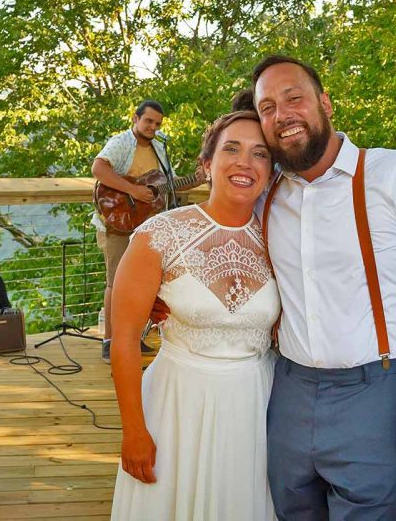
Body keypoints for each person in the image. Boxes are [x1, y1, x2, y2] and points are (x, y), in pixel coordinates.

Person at [252, 55, 396, 519]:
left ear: (325, 103)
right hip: (289, 390)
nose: (282, 115)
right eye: (267, 108)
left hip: (378, 390)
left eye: (294, 98)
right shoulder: (266, 192)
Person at [109, 110, 280, 520]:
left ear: (271, 171)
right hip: (177, 405)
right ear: (206, 165)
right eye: (231, 149)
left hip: (257, 403)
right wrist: (134, 431)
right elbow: (125, 340)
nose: (244, 162)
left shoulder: (282, 236)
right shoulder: (159, 235)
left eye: (259, 154)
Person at [91, 100, 203, 363]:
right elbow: (98, 169)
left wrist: (198, 179)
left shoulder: (159, 148)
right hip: (118, 222)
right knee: (114, 282)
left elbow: (167, 185)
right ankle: (110, 341)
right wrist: (133, 190)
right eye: (148, 121)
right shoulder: (121, 142)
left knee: (141, 283)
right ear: (135, 118)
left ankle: (132, 337)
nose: (153, 127)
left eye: (157, 124)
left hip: (145, 225)